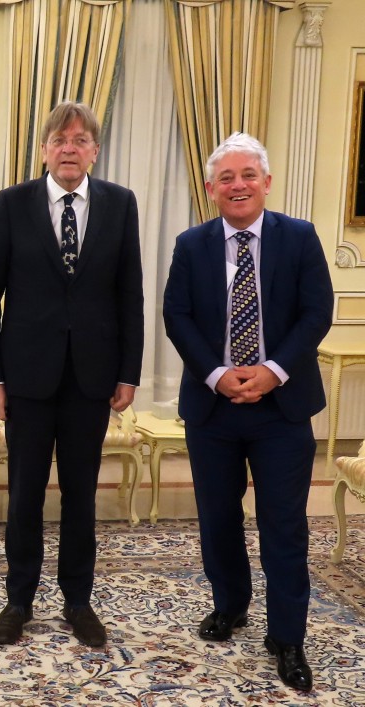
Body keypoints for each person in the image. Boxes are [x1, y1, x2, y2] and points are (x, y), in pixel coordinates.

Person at [163, 133, 332, 692]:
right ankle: (230, 605)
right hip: (213, 408)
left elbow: (317, 312)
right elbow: (177, 316)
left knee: (284, 525)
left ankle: (287, 638)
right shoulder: (191, 244)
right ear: (211, 189)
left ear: (266, 181)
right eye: (226, 178)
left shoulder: (300, 238)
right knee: (218, 519)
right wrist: (218, 374)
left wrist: (272, 370)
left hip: (282, 407)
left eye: (247, 175)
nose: (238, 185)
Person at [0, 101, 143, 649]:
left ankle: (77, 600)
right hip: (26, 377)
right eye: (59, 139)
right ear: (44, 149)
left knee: (81, 494)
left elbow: (130, 295)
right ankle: (18, 600)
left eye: (80, 140)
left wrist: (129, 372)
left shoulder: (120, 205)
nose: (69, 149)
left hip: (91, 378)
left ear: (95, 150)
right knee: (24, 494)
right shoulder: (11, 204)